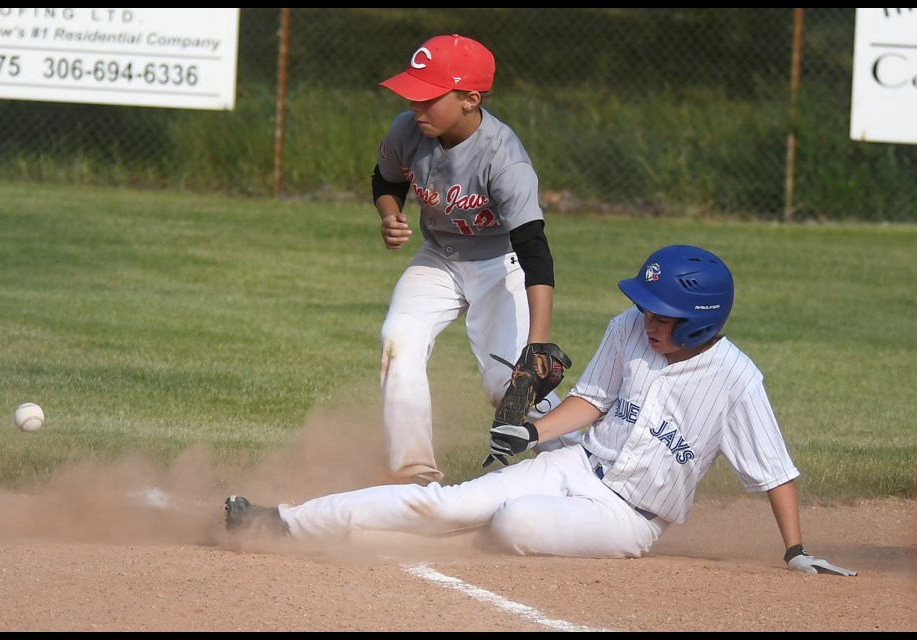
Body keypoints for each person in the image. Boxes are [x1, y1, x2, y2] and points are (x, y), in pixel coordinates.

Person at [224, 244, 857, 576]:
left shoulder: (737, 381)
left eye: (662, 312)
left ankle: (428, 534)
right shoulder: (629, 330)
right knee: (447, 502)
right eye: (644, 304)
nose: (646, 319)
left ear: (700, 321)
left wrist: (795, 550)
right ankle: (283, 521)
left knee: (514, 524)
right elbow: (590, 401)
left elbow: (774, 470)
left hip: (629, 520)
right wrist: (530, 429)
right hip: (576, 467)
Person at [371, 33, 578, 485]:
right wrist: (390, 216)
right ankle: (414, 476)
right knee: (398, 339)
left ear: (470, 98)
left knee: (509, 387)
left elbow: (535, 252)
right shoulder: (407, 131)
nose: (415, 106)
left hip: (500, 264)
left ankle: (586, 465)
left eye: (428, 97)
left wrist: (536, 347)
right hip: (437, 258)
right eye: (412, 94)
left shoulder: (505, 160)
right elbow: (386, 181)